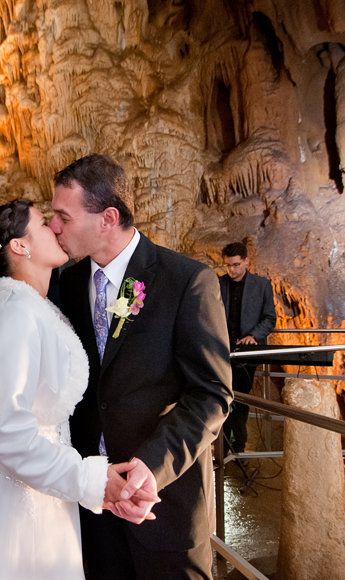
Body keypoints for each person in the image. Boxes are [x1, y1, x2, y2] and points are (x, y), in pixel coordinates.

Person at [0, 200, 136, 580]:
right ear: (20, 245)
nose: (57, 228)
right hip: (17, 497)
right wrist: (87, 479)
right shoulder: (14, 314)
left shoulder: (34, 306)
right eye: (45, 223)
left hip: (43, 486)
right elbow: (5, 429)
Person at [51, 154, 232, 580]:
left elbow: (211, 393)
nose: (53, 226)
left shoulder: (186, 280)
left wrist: (151, 466)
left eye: (63, 216)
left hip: (163, 500)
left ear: (107, 218)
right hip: (94, 502)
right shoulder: (68, 284)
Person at [219, 241, 276, 454]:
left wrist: (254, 336)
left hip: (247, 353)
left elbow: (269, 318)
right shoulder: (218, 283)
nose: (231, 270)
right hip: (222, 351)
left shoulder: (262, 285)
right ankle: (222, 448)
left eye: (236, 265)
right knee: (221, 398)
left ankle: (239, 447)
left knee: (241, 399)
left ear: (246, 261)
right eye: (227, 265)